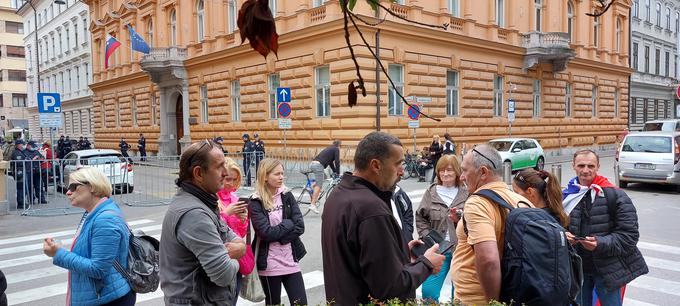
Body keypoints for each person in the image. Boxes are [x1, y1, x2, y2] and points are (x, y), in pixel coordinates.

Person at [322, 131, 445, 304]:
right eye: (398, 164)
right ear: (376, 165)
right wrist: (426, 264)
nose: (401, 172)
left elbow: (359, 258)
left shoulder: (339, 194)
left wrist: (399, 252)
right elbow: (389, 287)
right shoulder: (371, 209)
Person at [160, 140, 245, 305]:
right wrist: (232, 256)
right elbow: (224, 274)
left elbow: (237, 240)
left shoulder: (202, 202)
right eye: (219, 166)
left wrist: (238, 248)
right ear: (198, 174)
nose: (226, 173)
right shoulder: (194, 214)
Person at [562, 150, 648, 306]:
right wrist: (564, 236)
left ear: (598, 167)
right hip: (578, 268)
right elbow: (556, 225)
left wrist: (600, 243)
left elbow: (630, 236)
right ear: (573, 166)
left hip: (607, 269)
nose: (586, 170)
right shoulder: (567, 195)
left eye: (590, 166)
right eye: (581, 165)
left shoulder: (616, 195)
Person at [450, 144, 533, 305]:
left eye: (465, 170)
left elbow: (488, 259)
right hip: (514, 294)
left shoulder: (478, 203)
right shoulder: (520, 200)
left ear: (483, 172)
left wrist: (493, 303)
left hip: (476, 300)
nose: (461, 177)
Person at [42, 167, 135, 305]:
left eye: (74, 186)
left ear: (91, 186)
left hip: (108, 299)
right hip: (102, 295)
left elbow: (98, 269)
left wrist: (58, 253)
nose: (68, 192)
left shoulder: (104, 219)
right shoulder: (94, 212)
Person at [249, 158, 308, 305]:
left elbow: (300, 226)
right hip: (269, 265)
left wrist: (281, 237)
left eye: (282, 173)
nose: (281, 177)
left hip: (291, 261)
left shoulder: (287, 195)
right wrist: (288, 223)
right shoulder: (256, 201)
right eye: (277, 174)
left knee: (301, 303)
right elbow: (265, 233)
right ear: (265, 176)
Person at [416, 154, 469, 302]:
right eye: (441, 170)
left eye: (449, 170)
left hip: (462, 250)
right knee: (429, 293)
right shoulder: (431, 192)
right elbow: (420, 217)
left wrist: (460, 219)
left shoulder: (467, 193)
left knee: (458, 294)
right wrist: (427, 237)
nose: (445, 174)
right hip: (439, 249)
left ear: (457, 171)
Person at [216, 157, 254, 294]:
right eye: (227, 179)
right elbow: (210, 227)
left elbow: (241, 234)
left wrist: (243, 220)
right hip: (219, 258)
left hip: (236, 258)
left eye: (233, 179)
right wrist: (226, 213)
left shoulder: (234, 198)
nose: (230, 183)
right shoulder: (212, 198)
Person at [308, 140, 341, 213]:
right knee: (319, 185)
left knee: (325, 177)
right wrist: (338, 173)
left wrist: (335, 171)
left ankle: (312, 187)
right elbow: (337, 161)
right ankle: (312, 204)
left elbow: (330, 162)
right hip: (318, 166)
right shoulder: (336, 149)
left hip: (313, 164)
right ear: (339, 145)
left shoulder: (330, 148)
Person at [25, 141, 46, 205]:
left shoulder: (36, 151)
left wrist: (39, 158)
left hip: (37, 171)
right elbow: (26, 160)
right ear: (28, 146)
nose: (33, 148)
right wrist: (33, 159)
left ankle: (41, 199)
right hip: (28, 172)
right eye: (32, 146)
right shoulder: (24, 152)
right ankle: (31, 200)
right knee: (30, 187)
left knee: (39, 186)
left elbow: (42, 158)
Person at [10, 139, 28, 209]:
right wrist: (25, 160)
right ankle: (20, 203)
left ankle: (22, 202)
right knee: (21, 188)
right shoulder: (16, 152)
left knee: (23, 188)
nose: (23, 145)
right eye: (21, 144)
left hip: (21, 171)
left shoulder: (20, 151)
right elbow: (19, 161)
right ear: (18, 145)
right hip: (19, 172)